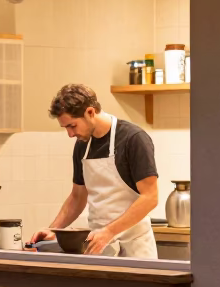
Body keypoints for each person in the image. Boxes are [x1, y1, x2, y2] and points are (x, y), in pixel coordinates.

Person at [30, 83, 159, 258]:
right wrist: (54, 229)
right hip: (98, 245)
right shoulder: (82, 145)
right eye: (66, 128)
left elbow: (150, 197)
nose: (70, 134)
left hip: (136, 247)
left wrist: (109, 231)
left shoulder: (133, 139)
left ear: (90, 112)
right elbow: (77, 197)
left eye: (72, 126)